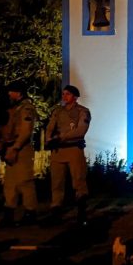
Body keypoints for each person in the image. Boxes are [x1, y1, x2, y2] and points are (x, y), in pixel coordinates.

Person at [45, 85, 91, 226]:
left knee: (78, 182)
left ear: (75, 97)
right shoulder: (58, 111)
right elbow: (50, 128)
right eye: (63, 94)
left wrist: (62, 137)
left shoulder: (83, 111)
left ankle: (82, 214)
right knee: (56, 183)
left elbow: (80, 130)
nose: (65, 97)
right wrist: (49, 139)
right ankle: (55, 213)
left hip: (73, 150)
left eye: (68, 94)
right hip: (58, 151)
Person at [0, 81, 39, 227]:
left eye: (11, 91)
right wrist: (2, 143)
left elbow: (26, 131)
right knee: (10, 183)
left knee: (25, 181)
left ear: (19, 92)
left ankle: (30, 213)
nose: (9, 94)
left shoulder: (26, 108)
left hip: (22, 148)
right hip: (11, 147)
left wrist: (15, 147)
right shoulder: (13, 108)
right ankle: (9, 214)